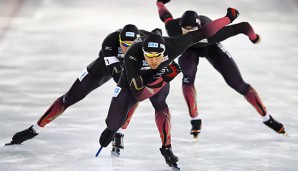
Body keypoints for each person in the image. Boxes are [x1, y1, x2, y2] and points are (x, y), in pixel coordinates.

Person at [98, 7, 239, 168]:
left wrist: (228, 18)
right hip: (135, 76)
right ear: (142, 51)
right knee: (112, 122)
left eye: (157, 56)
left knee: (161, 105)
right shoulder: (131, 56)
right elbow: (139, 95)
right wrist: (163, 78)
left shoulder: (176, 44)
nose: (152, 61)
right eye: (148, 56)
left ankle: (167, 147)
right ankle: (115, 129)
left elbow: (205, 32)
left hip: (158, 74)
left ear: (165, 51)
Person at [6, 24, 161, 147]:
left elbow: (159, 36)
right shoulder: (109, 42)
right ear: (119, 41)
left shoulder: (144, 40)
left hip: (128, 67)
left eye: (131, 44)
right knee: (69, 98)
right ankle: (35, 129)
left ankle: (120, 133)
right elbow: (116, 74)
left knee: (135, 94)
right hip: (101, 69)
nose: (127, 48)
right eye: (124, 45)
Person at [156, 0, 286, 139]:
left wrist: (254, 37)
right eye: (185, 30)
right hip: (189, 50)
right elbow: (166, 16)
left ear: (199, 27)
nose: (189, 34)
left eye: (193, 30)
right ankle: (195, 119)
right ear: (180, 26)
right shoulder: (173, 28)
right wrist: (160, 3)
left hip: (211, 46)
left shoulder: (213, 33)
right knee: (187, 78)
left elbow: (244, 26)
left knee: (239, 85)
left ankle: (267, 118)